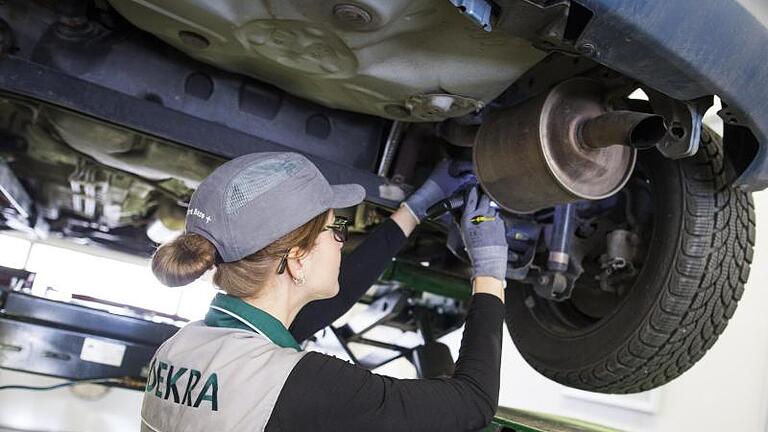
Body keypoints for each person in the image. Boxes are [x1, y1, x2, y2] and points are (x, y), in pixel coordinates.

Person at [142, 152, 508, 432]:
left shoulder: (181, 348)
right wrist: (490, 272)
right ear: (297, 261)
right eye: (337, 229)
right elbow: (473, 401)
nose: (341, 242)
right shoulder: (304, 383)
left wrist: (413, 210)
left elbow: (327, 301)